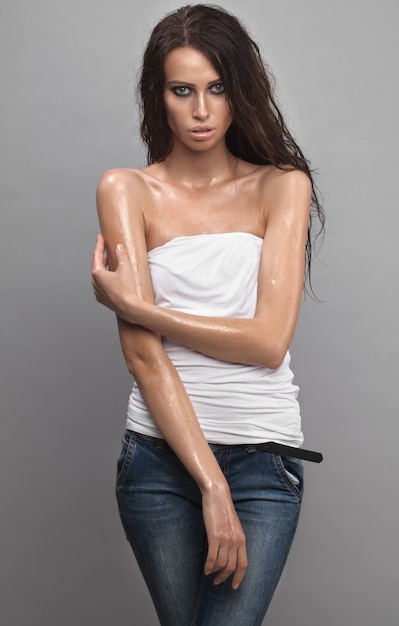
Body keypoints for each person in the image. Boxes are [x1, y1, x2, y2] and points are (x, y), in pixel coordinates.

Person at [91, 5, 324, 625]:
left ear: (238, 91)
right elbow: (144, 356)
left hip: (263, 457)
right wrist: (210, 486)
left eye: (217, 89)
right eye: (182, 90)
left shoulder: (282, 186)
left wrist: (137, 306)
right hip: (157, 463)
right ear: (157, 95)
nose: (201, 110)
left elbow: (269, 342)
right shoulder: (126, 190)